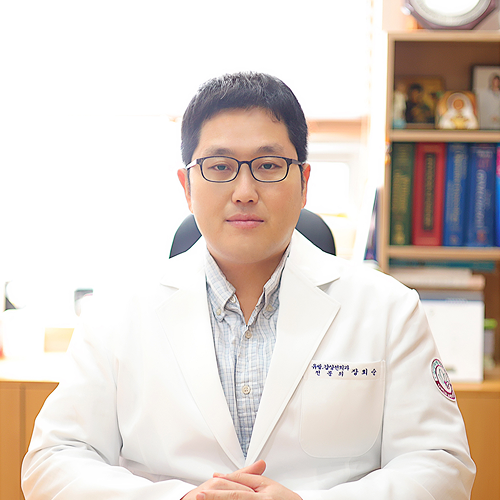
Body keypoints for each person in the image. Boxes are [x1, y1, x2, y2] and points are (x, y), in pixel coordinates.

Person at [22, 72, 475, 499]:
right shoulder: (116, 312)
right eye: (219, 166)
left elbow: (440, 464)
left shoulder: (388, 309)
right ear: (186, 186)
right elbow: (54, 459)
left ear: (304, 183)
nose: (244, 190)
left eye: (268, 165)